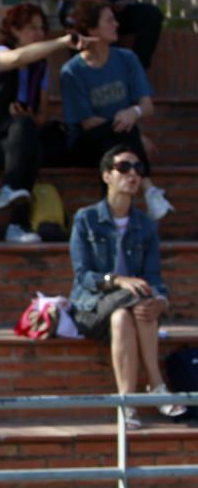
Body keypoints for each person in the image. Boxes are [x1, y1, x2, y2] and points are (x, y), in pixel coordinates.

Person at [69, 145, 186, 429]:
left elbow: (154, 278)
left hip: (128, 311)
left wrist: (162, 300)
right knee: (135, 300)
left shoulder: (145, 225)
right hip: (91, 306)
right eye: (123, 168)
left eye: (137, 169)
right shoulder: (86, 219)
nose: (132, 174)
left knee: (128, 313)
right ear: (107, 175)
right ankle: (157, 385)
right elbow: (83, 276)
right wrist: (117, 280)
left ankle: (127, 404)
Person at [0, 3, 90, 244]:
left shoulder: (40, 68)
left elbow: (41, 116)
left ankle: (15, 218)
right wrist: (61, 43)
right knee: (24, 136)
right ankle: (13, 202)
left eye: (42, 28)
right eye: (31, 28)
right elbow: (15, 58)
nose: (38, 34)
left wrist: (26, 115)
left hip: (17, 142)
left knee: (39, 135)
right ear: (15, 31)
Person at [61, 0, 171, 222]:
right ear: (93, 29)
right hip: (84, 142)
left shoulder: (126, 59)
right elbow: (87, 123)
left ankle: (113, 217)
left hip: (118, 141)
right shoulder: (72, 71)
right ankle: (149, 190)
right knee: (122, 136)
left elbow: (146, 105)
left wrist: (135, 113)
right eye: (110, 20)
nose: (117, 24)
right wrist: (137, 135)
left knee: (119, 152)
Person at [54, 0, 162, 70]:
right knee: (106, 44)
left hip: (113, 8)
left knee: (151, 15)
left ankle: (137, 69)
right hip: (79, 8)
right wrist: (89, 0)